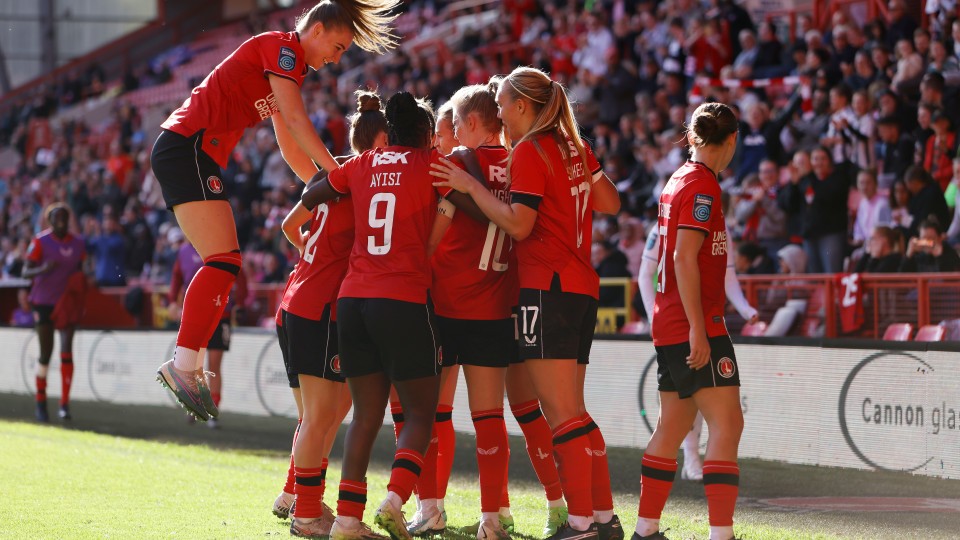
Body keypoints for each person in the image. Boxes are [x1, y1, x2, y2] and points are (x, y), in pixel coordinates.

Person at [150, 0, 402, 422]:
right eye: (338, 47)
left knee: (225, 262)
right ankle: (183, 365)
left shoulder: (291, 69)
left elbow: (288, 143)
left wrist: (325, 190)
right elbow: (299, 123)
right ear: (316, 29)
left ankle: (185, 363)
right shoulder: (282, 49)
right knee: (224, 261)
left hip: (191, 152)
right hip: (187, 147)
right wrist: (340, 177)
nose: (337, 58)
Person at [430, 66, 623, 540]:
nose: (499, 115)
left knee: (559, 414)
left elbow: (518, 224)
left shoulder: (533, 150)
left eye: (503, 108)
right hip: (581, 287)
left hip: (545, 287)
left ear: (521, 106)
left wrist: (470, 185)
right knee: (575, 410)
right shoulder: (574, 147)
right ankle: (603, 518)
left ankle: (578, 524)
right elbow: (610, 202)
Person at [301, 91, 477, 540]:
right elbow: (472, 198)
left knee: (363, 416)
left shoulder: (363, 164)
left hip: (352, 298)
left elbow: (313, 191)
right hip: (401, 297)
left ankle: (345, 520)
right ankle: (395, 499)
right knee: (421, 412)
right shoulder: (428, 164)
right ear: (423, 135)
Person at [275, 90, 388, 539]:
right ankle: (305, 513)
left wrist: (314, 258)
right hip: (319, 307)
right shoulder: (364, 181)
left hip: (301, 301)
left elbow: (288, 226)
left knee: (324, 415)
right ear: (378, 141)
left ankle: (303, 501)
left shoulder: (332, 176)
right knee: (321, 418)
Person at [638, 102, 744, 540]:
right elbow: (683, 257)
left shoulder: (678, 179)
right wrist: (700, 327)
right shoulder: (703, 187)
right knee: (727, 423)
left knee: (674, 426)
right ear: (732, 141)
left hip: (669, 323)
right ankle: (721, 534)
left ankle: (646, 530)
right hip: (692, 323)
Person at [637, 195, 757, 484]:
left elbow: (728, 278)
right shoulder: (661, 228)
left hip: (707, 325)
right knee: (684, 405)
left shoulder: (722, 230)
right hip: (677, 324)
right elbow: (644, 276)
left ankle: (690, 462)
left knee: (701, 399)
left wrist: (745, 308)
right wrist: (655, 317)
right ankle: (689, 460)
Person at [397, 101, 461, 534]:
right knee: (437, 412)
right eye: (435, 133)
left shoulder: (443, 168)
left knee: (429, 412)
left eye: (445, 131)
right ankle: (434, 503)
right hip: (443, 299)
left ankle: (431, 503)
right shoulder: (444, 170)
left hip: (437, 300)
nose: (438, 141)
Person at [168, 239, 249, 429]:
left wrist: (240, 302)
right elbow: (176, 277)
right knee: (193, 364)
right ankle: (195, 405)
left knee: (214, 364)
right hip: (195, 314)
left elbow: (241, 275)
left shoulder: (220, 243)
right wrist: (173, 301)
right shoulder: (184, 251)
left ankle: (212, 410)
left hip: (222, 313)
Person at [23, 204, 87, 422]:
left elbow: (83, 268)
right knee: (45, 353)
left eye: (64, 217)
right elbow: (25, 271)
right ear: (50, 221)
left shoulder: (78, 243)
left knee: (67, 348)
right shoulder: (40, 242)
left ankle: (64, 405)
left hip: (66, 302)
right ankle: (40, 402)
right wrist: (42, 269)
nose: (61, 221)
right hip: (43, 302)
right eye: (56, 217)